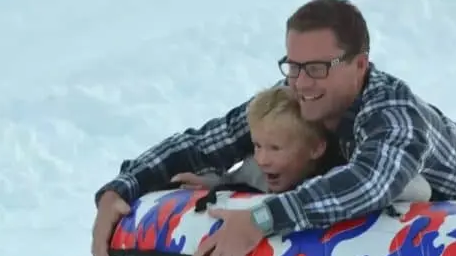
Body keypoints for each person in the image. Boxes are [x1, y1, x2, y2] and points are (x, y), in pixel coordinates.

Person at [92, 0, 456, 256]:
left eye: (317, 67)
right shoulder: (298, 96)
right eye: (293, 66)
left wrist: (261, 219)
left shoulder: (394, 113)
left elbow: (370, 182)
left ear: (359, 64)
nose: (301, 82)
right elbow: (205, 141)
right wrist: (123, 187)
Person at [172, 85, 432, 202]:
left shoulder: (343, 168)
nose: (262, 158)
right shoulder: (261, 169)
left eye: (275, 148)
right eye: (257, 146)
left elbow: (419, 188)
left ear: (316, 148)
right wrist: (213, 184)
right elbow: (238, 181)